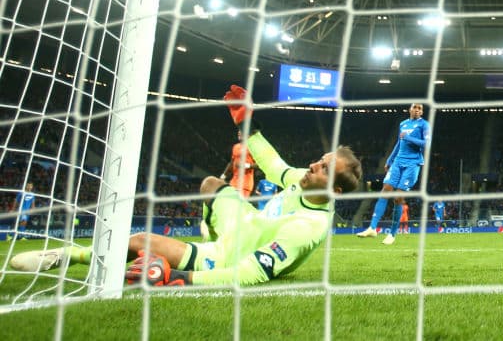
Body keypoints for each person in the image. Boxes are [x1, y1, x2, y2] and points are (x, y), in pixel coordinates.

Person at [10, 84, 363, 286]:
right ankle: (208, 231)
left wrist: (183, 277)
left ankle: (70, 256)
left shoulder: (309, 227)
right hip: (242, 222)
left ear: (334, 190)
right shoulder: (301, 179)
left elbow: (253, 273)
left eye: (322, 168)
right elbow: (273, 166)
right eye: (319, 159)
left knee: (138, 243)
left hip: (229, 256)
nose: (312, 166)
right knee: (211, 183)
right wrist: (246, 122)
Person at [357, 103, 430, 246]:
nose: (417, 110)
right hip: (397, 162)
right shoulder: (403, 124)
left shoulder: (424, 125)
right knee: (385, 191)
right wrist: (389, 160)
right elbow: (398, 143)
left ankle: (392, 234)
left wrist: (409, 138)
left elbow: (426, 143)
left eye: (420, 108)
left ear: (421, 112)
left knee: (398, 198)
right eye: (415, 107)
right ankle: (372, 228)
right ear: (410, 109)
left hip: (413, 164)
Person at [222, 129, 256, 198]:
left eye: (242, 131)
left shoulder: (253, 147)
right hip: (233, 182)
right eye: (239, 131)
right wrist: (223, 176)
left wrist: (246, 165)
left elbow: (259, 164)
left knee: (238, 207)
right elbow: (231, 163)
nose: (239, 132)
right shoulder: (235, 147)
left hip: (245, 184)